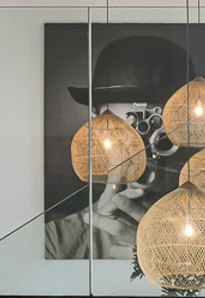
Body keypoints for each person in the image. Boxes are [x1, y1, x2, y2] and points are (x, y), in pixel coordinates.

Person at [44, 33, 196, 260]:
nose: (143, 155)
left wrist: (166, 260)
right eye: (121, 136)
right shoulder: (55, 242)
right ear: (95, 122)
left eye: (163, 139)